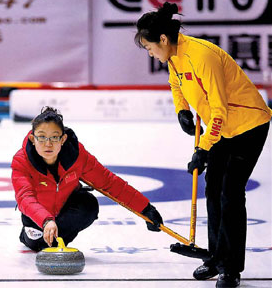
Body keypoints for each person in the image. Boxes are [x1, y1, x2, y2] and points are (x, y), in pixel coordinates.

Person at [135, 2, 272, 288]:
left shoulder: (201, 56)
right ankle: (214, 256)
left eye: (149, 47)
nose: (149, 53)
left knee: (231, 194)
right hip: (223, 129)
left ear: (162, 39)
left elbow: (220, 110)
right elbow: (176, 83)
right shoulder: (174, 55)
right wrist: (181, 109)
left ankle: (231, 268)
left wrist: (202, 149)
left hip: (248, 125)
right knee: (213, 188)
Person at [11, 106, 164, 252]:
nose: (48, 143)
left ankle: (54, 239)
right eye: (42, 137)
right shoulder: (21, 161)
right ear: (32, 138)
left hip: (65, 211)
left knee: (88, 205)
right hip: (37, 218)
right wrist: (46, 220)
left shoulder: (77, 156)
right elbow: (25, 198)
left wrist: (145, 209)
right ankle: (33, 237)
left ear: (63, 139)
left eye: (54, 137)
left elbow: (108, 181)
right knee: (37, 244)